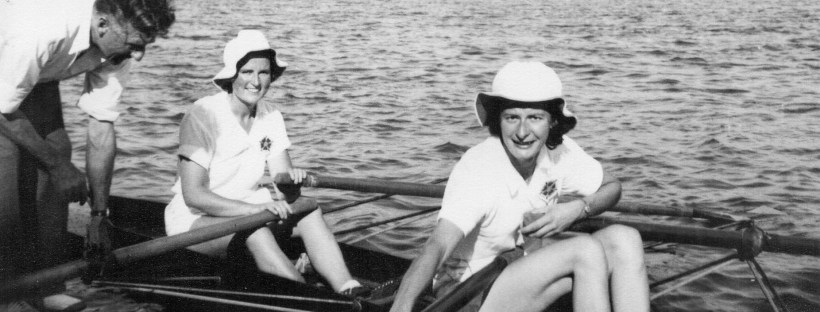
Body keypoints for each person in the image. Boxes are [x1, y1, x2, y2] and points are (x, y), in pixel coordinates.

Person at [389, 61, 649, 312]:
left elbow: (612, 187)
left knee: (625, 239)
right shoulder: (480, 169)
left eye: (535, 117)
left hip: (518, 266)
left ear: (552, 122)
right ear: (497, 121)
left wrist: (578, 209)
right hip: (466, 290)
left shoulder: (560, 152)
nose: (522, 132)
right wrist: (401, 307)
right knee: (586, 250)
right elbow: (437, 246)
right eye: (512, 117)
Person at [164, 30, 369, 297]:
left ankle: (348, 288)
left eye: (263, 73)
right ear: (231, 76)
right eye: (247, 72)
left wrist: (292, 183)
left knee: (308, 210)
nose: (256, 82)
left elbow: (285, 190)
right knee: (256, 232)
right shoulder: (202, 115)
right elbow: (194, 196)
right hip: (193, 222)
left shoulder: (271, 116)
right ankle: (307, 298)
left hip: (252, 213)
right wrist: (253, 210)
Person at [0, 0, 175, 309]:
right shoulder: (41, 31)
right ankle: (8, 292)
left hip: (37, 73)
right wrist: (58, 167)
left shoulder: (119, 43)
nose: (138, 54)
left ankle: (46, 287)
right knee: (9, 166)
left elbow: (101, 127)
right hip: (10, 59)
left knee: (58, 150)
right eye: (135, 44)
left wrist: (99, 216)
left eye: (144, 45)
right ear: (102, 24)